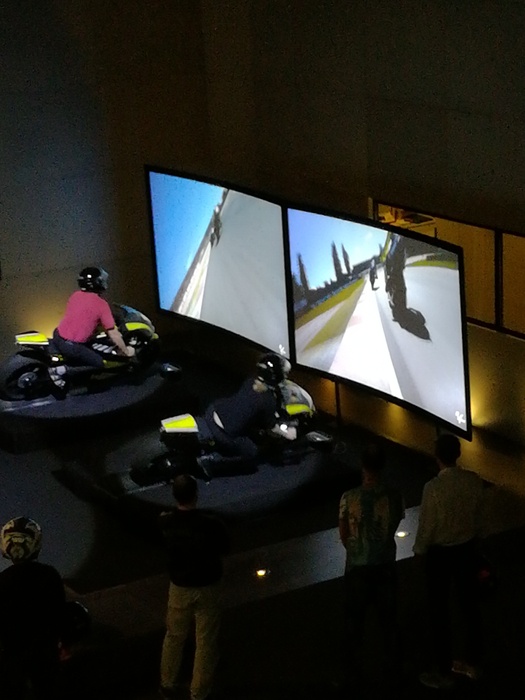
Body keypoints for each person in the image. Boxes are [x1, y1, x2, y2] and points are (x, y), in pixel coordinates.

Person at [414, 433, 485, 690]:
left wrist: (419, 551)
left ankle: (443, 669)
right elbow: (478, 517)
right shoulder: (473, 481)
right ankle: (473, 663)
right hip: (467, 550)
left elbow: (427, 527)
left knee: (439, 611)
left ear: (437, 456)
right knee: (469, 606)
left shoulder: (432, 488)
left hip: (440, 556)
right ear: (458, 454)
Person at [338, 442, 405, 695]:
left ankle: (351, 677)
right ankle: (394, 674)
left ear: (362, 465)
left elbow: (344, 534)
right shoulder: (395, 496)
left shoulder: (348, 497)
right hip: (385, 567)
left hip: (357, 569)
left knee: (353, 625)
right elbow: (396, 522)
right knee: (389, 624)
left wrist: (358, 550)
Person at [159, 474, 230, 700]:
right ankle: (199, 691)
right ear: (196, 495)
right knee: (206, 641)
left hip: (179, 587)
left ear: (175, 495)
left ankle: (167, 683)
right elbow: (225, 547)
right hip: (208, 586)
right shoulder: (211, 524)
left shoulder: (166, 523)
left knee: (174, 636)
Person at [0, 516, 66, 700]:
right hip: (45, 655)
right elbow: (59, 614)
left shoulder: (2, 581)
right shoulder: (49, 575)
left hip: (12, 659)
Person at [198, 352, 293, 475]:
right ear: (277, 376)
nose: (286, 377)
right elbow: (272, 428)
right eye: (285, 374)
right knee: (251, 453)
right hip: (224, 432)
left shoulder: (250, 380)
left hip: (213, 411)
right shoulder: (268, 401)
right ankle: (213, 461)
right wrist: (287, 433)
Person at [49, 266, 135, 391]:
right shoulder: (101, 304)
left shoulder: (75, 295)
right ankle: (62, 370)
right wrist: (126, 351)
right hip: (72, 346)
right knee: (99, 363)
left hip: (57, 335)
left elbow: (83, 317)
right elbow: (113, 333)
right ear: (97, 283)